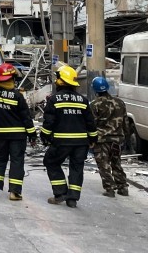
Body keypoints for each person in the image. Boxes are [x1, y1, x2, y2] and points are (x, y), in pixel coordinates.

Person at [0, 63, 37, 200]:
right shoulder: (17, 96)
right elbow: (26, 118)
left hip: (0, 135)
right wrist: (32, 134)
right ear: (11, 79)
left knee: (0, 159)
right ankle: (14, 192)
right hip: (18, 136)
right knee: (17, 161)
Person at [41, 64, 98, 207]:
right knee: (77, 168)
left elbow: (48, 123)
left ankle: (60, 193)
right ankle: (72, 199)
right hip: (81, 143)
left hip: (61, 142)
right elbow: (90, 122)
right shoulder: (83, 100)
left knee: (51, 162)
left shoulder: (54, 100)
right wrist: (93, 139)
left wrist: (45, 137)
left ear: (60, 81)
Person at [89, 76, 129, 197]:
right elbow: (125, 122)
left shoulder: (94, 104)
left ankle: (110, 189)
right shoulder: (120, 102)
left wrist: (90, 139)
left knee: (103, 164)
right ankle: (123, 187)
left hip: (101, 140)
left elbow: (91, 124)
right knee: (116, 163)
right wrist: (125, 137)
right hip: (117, 140)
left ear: (95, 90)